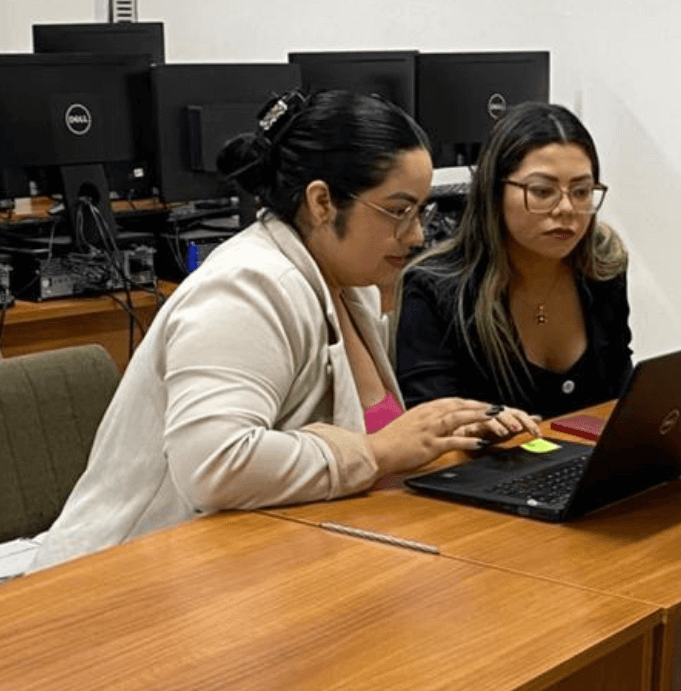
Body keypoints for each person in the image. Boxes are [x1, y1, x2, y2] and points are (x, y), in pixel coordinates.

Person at [28, 90, 536, 574]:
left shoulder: (351, 285)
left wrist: (453, 430)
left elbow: (372, 437)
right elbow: (214, 466)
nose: (418, 234)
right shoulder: (246, 288)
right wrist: (378, 452)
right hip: (123, 580)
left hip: (259, 566)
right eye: (399, 211)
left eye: (421, 211)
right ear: (321, 202)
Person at [396, 101, 631, 418]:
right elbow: (430, 424)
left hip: (591, 450)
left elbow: (619, 398)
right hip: (488, 453)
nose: (566, 209)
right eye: (542, 191)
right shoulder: (434, 290)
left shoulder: (603, 266)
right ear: (495, 193)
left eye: (581, 191)